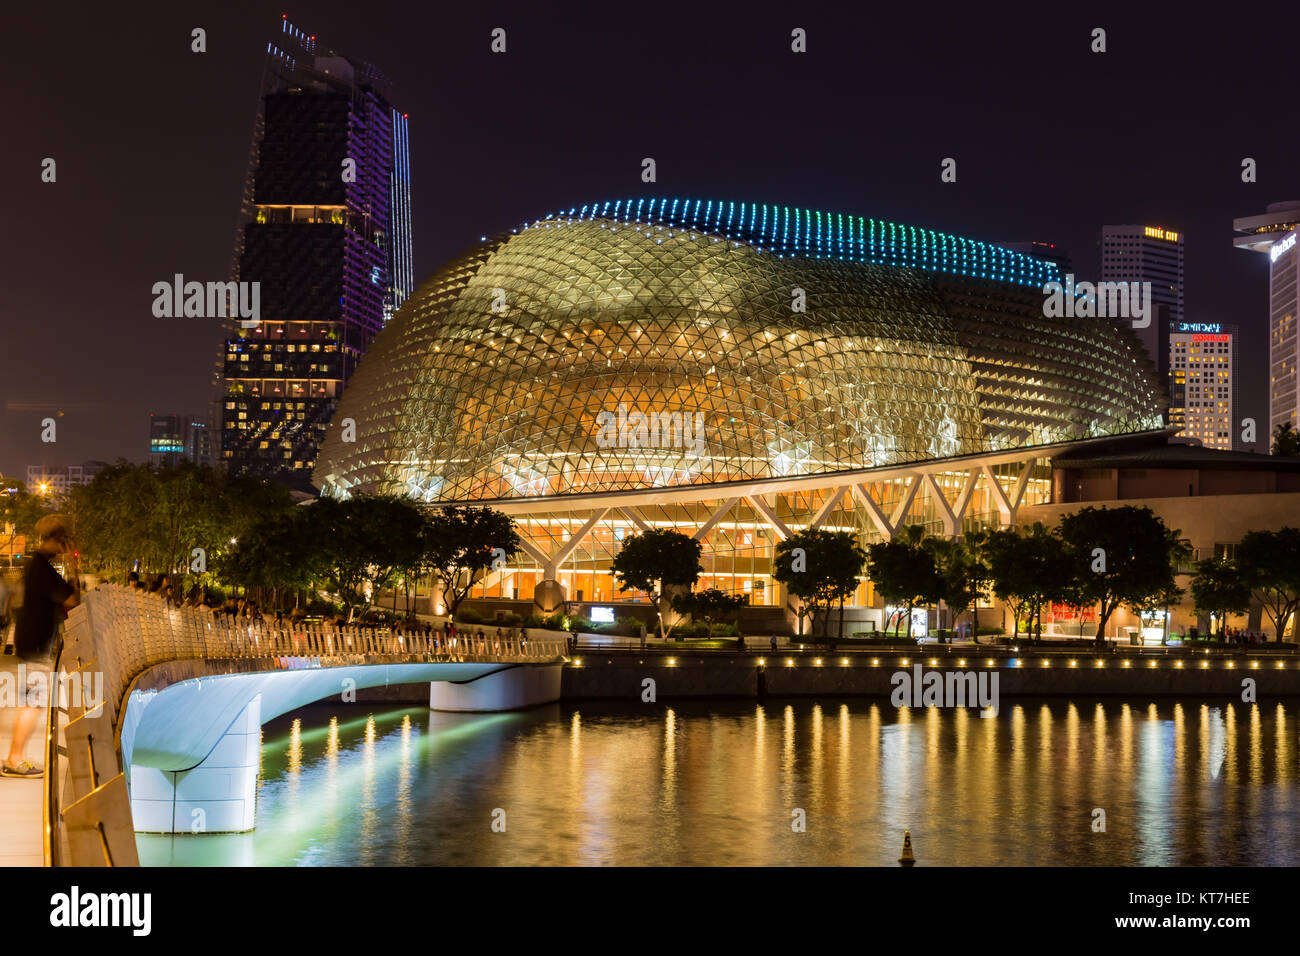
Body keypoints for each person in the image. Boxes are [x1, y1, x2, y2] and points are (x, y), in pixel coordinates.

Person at [4, 516, 78, 777]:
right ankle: (14, 759)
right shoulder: (42, 569)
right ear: (56, 539)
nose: (66, 545)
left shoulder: (38, 565)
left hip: (32, 642)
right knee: (32, 704)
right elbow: (73, 597)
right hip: (35, 644)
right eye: (64, 540)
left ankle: (15, 757)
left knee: (31, 703)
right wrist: (72, 563)